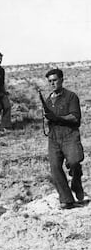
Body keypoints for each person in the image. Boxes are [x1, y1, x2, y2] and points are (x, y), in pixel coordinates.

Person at [43, 69, 85, 209]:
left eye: (55, 80)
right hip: (54, 137)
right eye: (50, 81)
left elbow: (75, 117)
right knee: (55, 168)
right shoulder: (49, 100)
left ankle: (76, 180)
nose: (52, 83)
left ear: (62, 79)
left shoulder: (71, 97)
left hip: (69, 134)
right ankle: (67, 200)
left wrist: (58, 118)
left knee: (74, 161)